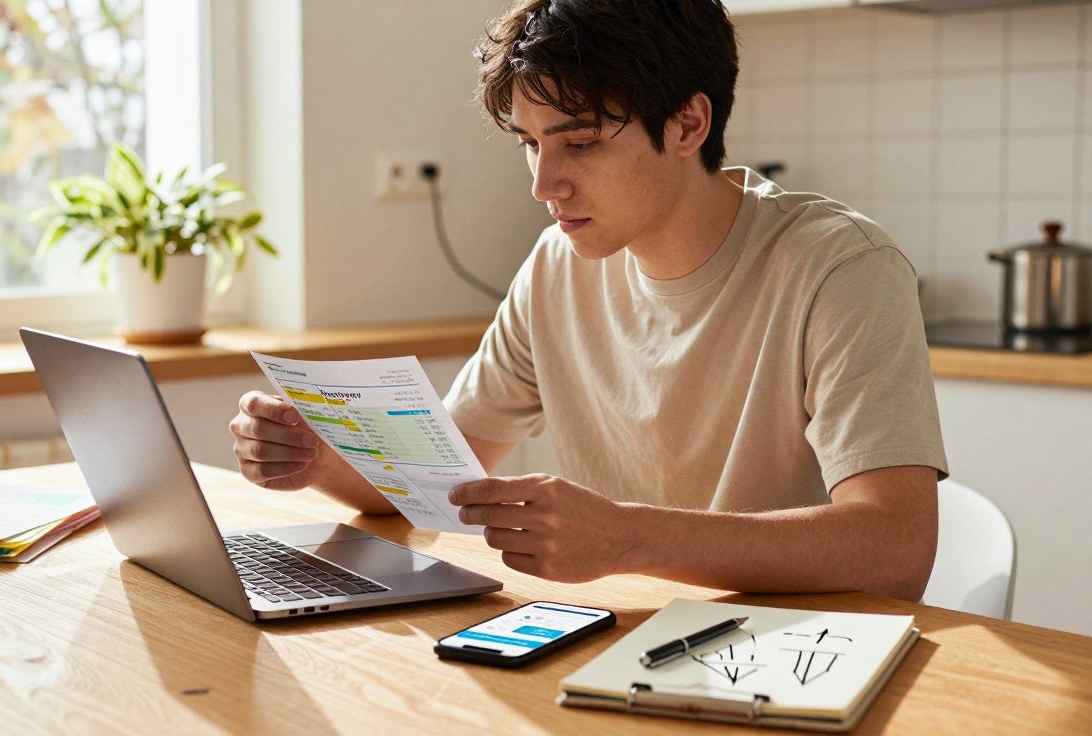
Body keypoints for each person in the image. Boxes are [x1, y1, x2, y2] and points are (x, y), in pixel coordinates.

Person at [228, 0, 949, 601]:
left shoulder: (840, 267)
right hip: (621, 636)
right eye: (528, 144)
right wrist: (315, 460)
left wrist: (627, 537)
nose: (545, 184)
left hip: (789, 658)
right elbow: (446, 481)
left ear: (688, 125)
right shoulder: (555, 268)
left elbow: (895, 547)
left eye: (580, 143)